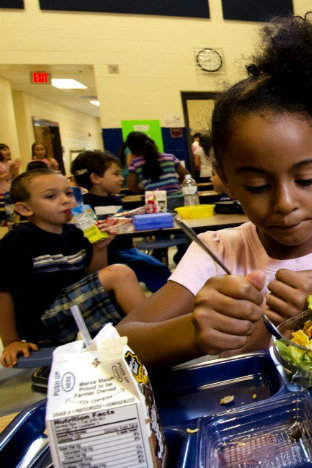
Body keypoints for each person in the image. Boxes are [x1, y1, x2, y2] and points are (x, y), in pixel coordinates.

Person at [115, 15, 312, 367]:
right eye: (257, 186)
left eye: (304, 180)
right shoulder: (216, 253)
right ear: (226, 179)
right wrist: (193, 332)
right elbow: (118, 346)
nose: (285, 203)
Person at [0, 168, 146, 367]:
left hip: (75, 312)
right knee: (120, 273)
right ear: (25, 209)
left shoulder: (74, 233)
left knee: (124, 280)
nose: (66, 200)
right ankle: (149, 336)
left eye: (68, 193)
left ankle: (143, 336)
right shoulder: (18, 240)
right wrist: (11, 341)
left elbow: (92, 278)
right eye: (51, 196)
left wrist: (99, 248)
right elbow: (3, 292)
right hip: (44, 323)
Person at [71, 150, 171, 292]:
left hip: (128, 250)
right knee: (157, 271)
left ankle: (167, 306)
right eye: (116, 174)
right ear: (96, 178)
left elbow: (121, 224)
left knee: (161, 270)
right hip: (107, 255)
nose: (121, 178)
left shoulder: (116, 199)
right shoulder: (82, 207)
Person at [124, 131, 189, 193]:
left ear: (132, 149)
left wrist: (147, 187)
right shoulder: (170, 157)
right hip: (178, 198)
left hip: (154, 201)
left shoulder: (135, 163)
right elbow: (186, 176)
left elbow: (132, 188)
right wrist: (174, 183)